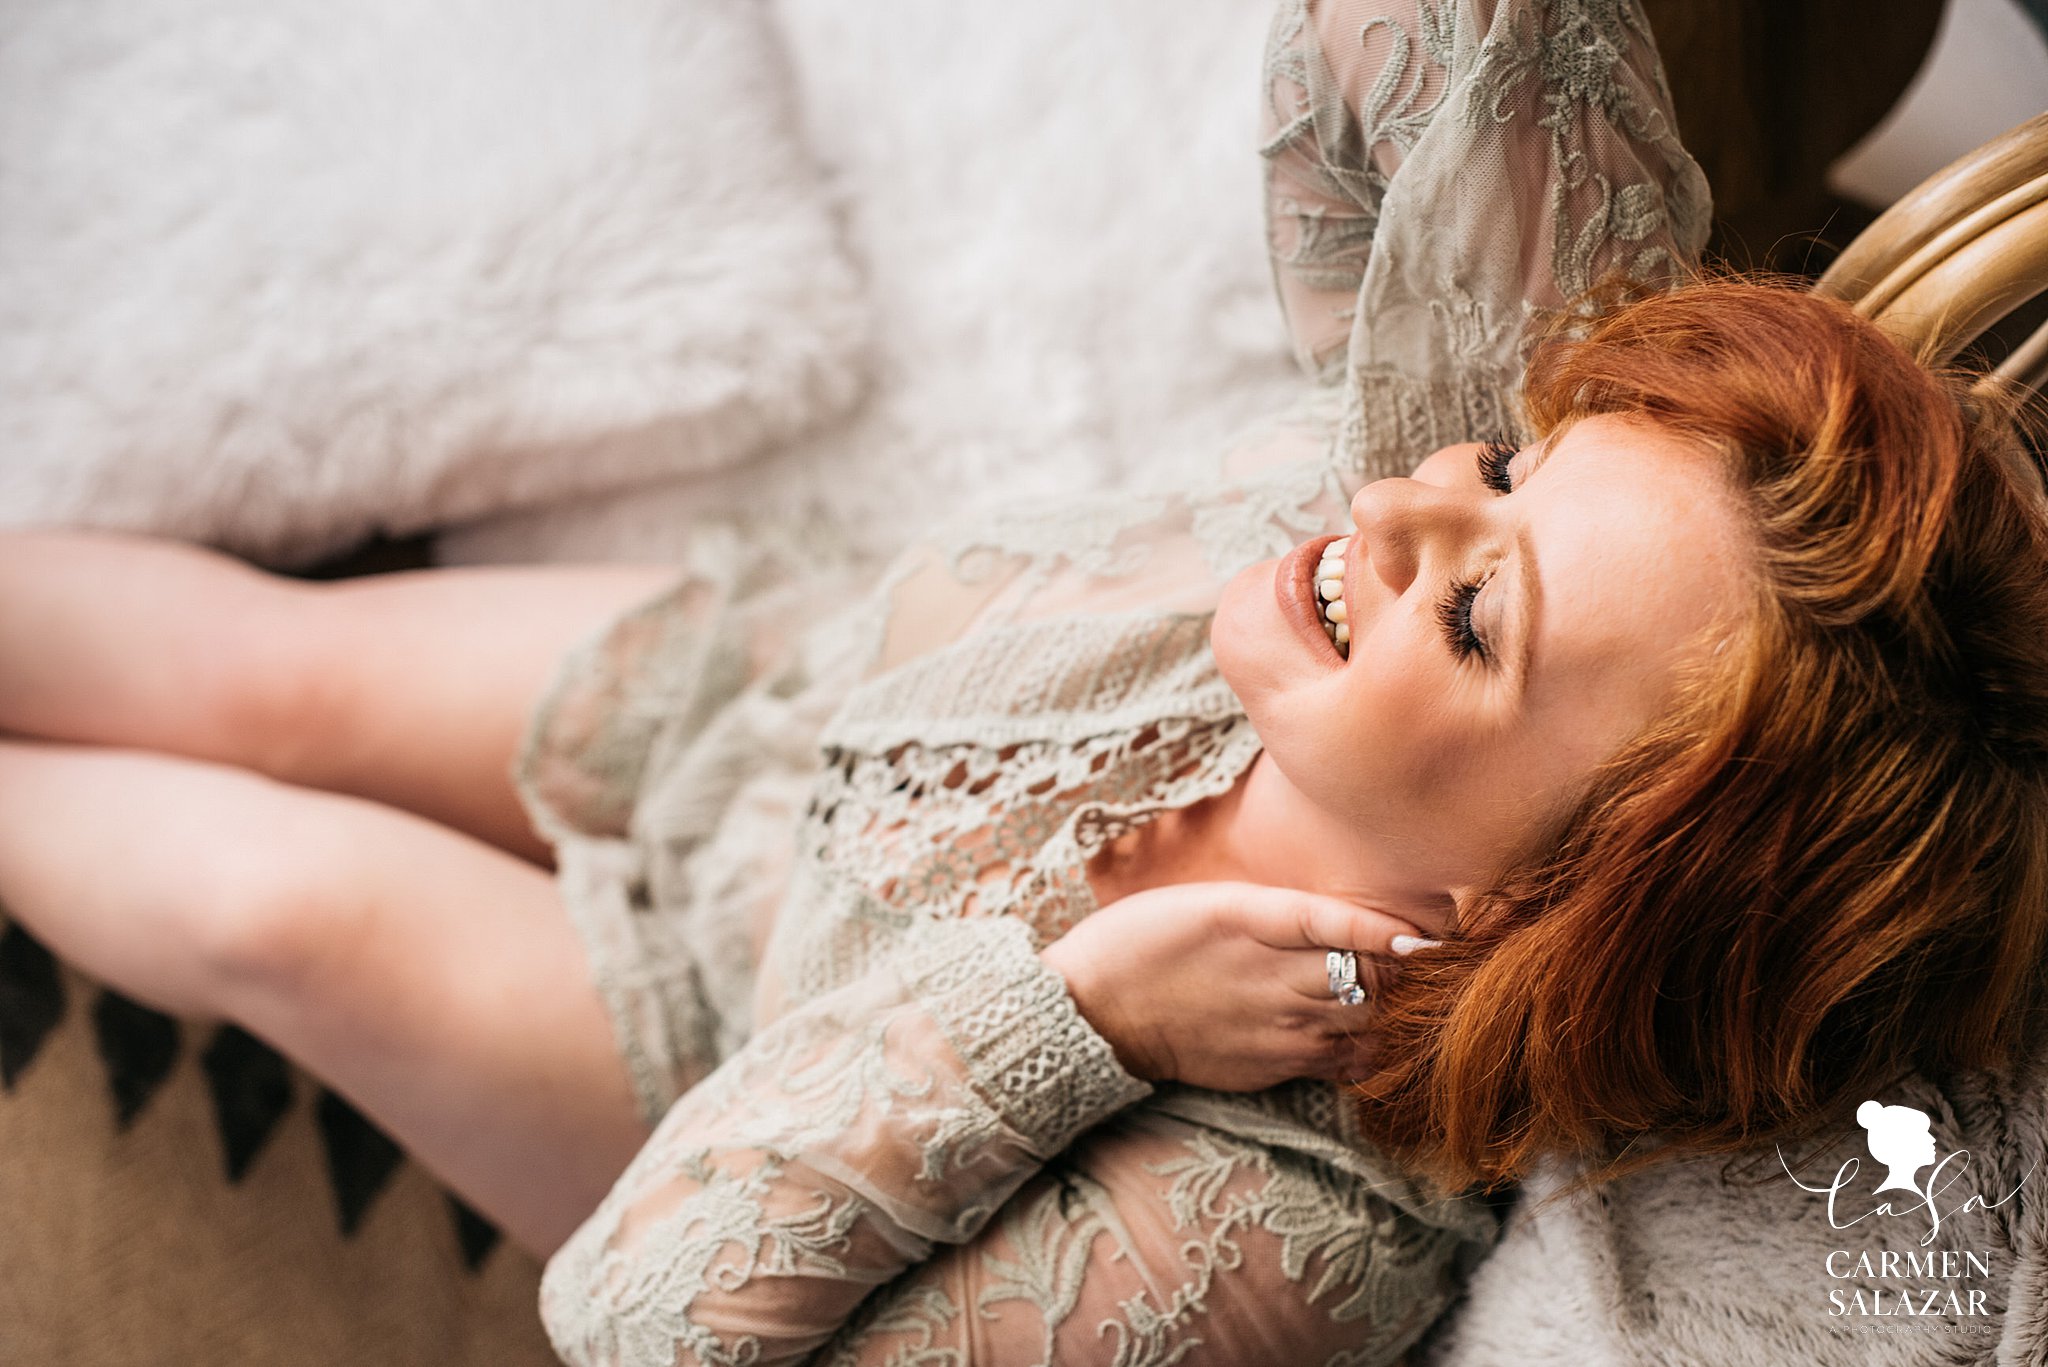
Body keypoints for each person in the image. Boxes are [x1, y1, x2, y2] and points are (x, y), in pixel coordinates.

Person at [1, 3, 2044, 1366]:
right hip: (751, 698)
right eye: (1508, 464)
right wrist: (1591, 454)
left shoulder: (1274, 1229)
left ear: (1537, 905)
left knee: (279, 906)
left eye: (1479, 614)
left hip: (717, 1063)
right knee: (268, 673)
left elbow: (645, 1316)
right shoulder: (1420, 517)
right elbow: (1417, 47)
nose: (1416, 504)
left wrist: (1066, 1016)